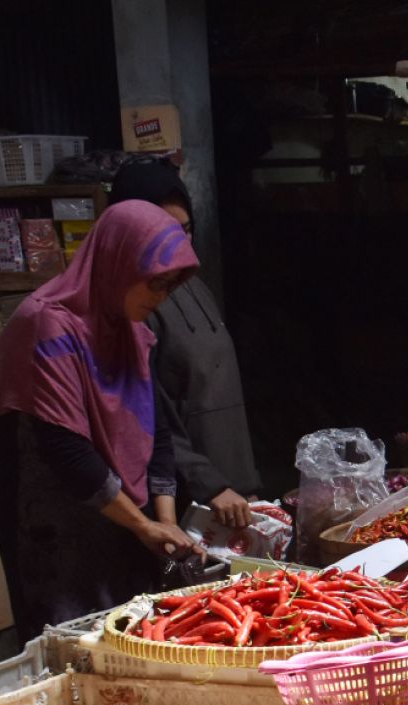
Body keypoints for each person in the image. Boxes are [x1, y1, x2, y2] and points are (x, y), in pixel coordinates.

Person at [0, 201, 205, 642]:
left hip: (118, 519)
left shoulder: (131, 332)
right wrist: (144, 527)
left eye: (168, 287)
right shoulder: (47, 325)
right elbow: (64, 449)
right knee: (73, 648)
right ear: (116, 262)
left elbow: (155, 430)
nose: (158, 297)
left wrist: (166, 521)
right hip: (52, 529)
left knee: (132, 639)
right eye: (154, 283)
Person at [109, 159, 262, 529]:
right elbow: (145, 418)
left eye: (186, 229)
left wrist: (245, 485)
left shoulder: (194, 286)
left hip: (232, 494)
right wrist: (209, 486)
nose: (177, 242)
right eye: (163, 230)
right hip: (181, 502)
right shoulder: (135, 305)